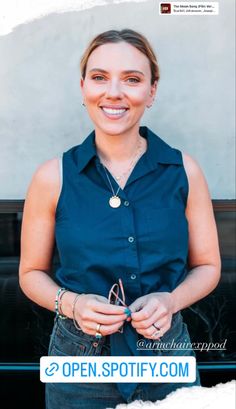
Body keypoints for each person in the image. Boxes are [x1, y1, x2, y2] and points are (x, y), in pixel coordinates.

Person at [19, 29, 221, 409]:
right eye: (99, 77)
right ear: (83, 88)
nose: (114, 92)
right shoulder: (52, 177)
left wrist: (171, 299)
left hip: (166, 353)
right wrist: (72, 304)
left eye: (131, 79)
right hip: (78, 361)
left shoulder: (184, 171)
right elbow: (30, 275)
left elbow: (209, 266)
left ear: (152, 90)